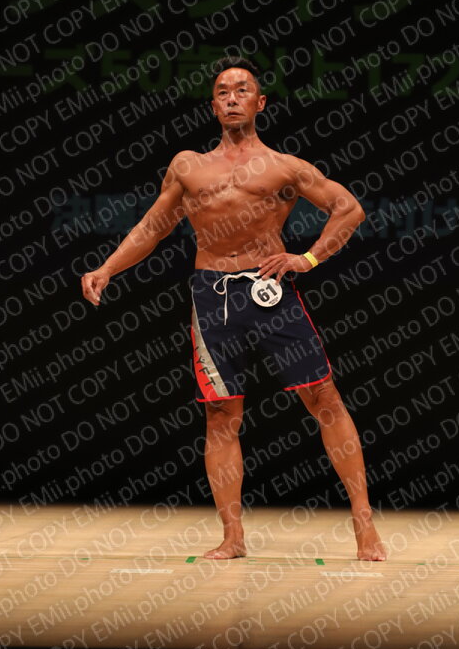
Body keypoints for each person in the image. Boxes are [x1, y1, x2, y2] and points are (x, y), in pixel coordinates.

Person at [81, 55, 386, 561]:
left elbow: (348, 208)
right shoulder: (188, 166)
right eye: (223, 92)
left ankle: (364, 524)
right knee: (221, 414)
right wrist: (107, 268)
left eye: (242, 90)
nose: (232, 98)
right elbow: (154, 226)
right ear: (213, 106)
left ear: (260, 102)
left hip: (271, 290)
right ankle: (233, 536)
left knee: (323, 399)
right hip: (213, 296)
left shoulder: (284, 166)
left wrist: (307, 258)